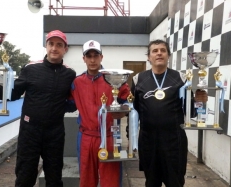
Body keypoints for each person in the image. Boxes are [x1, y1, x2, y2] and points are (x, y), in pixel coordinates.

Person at [0, 30, 76, 187]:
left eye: (59, 45)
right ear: (46, 46)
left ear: (65, 49)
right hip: (30, 130)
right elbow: (14, 93)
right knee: (25, 176)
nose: (54, 48)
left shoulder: (70, 73)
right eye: (51, 44)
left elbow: (72, 102)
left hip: (55, 132)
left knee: (54, 177)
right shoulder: (31, 68)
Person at [131, 39, 196, 187]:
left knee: (175, 182)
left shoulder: (181, 78)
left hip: (174, 141)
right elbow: (133, 114)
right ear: (148, 57)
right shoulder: (138, 79)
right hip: (148, 141)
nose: (159, 53)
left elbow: (191, 111)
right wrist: (131, 140)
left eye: (162, 50)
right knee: (151, 182)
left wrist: (199, 101)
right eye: (155, 51)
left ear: (168, 55)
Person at [71, 40, 130, 187]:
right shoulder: (76, 82)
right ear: (83, 58)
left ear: (101, 57)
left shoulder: (115, 79)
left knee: (111, 180)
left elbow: (128, 103)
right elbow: (67, 104)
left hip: (110, 136)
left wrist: (122, 112)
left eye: (95, 55)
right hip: (86, 136)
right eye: (88, 56)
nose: (92, 60)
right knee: (86, 180)